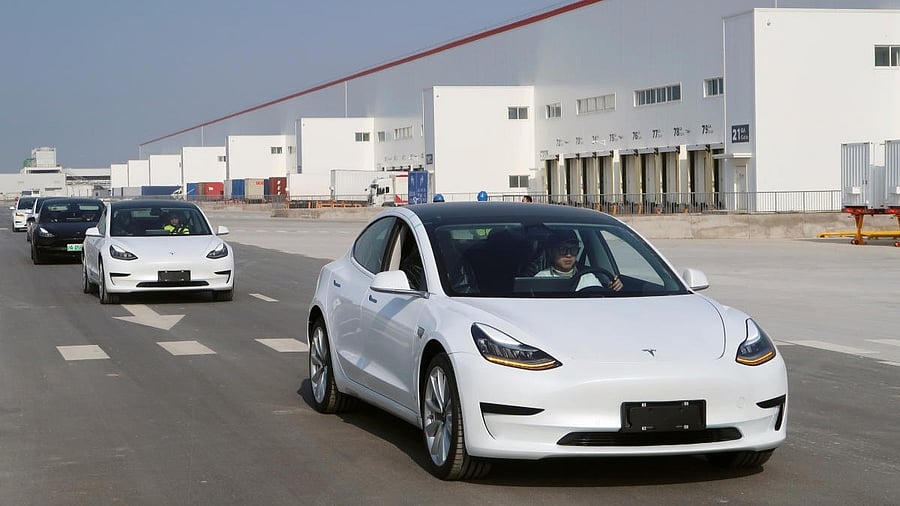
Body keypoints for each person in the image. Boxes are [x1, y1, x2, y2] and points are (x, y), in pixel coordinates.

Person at [534, 230, 623, 291]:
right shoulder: (540, 279)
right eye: (563, 249)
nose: (568, 255)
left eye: (573, 250)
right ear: (551, 252)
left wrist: (613, 288)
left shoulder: (588, 277)